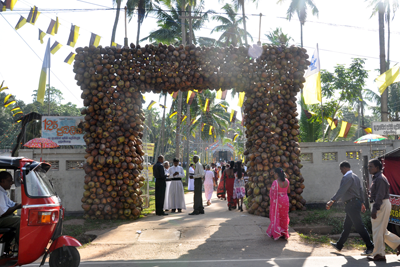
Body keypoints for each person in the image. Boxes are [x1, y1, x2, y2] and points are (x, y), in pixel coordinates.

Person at [326, 161, 374, 255]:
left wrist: (332, 200)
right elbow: (360, 190)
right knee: (347, 226)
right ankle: (339, 245)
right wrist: (362, 203)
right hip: (353, 204)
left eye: (341, 170)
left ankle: (370, 246)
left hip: (351, 204)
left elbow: (342, 190)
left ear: (344, 168)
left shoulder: (347, 177)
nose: (341, 172)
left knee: (359, 226)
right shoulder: (355, 176)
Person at [367, 159, 400, 261]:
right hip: (380, 204)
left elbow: (380, 195)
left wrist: (375, 209)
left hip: (381, 205)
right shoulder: (376, 178)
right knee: (381, 230)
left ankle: (379, 254)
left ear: (377, 167)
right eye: (368, 166)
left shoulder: (380, 179)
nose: (369, 168)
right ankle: (398, 244)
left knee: (378, 230)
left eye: (371, 166)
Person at [0, 171, 22, 254]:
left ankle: (8, 245)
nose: (12, 183)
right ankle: (20, 246)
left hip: (3, 217)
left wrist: (24, 204)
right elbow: (4, 212)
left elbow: (12, 204)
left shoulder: (3, 193)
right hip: (1, 218)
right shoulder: (0, 193)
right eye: (9, 181)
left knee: (20, 217)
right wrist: (17, 206)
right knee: (19, 221)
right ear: (2, 181)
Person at [266, 168, 290, 240]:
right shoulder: (287, 181)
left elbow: (272, 194)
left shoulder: (275, 182)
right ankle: (284, 233)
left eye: (274, 173)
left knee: (277, 216)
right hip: (285, 200)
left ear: (277, 174)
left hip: (278, 201)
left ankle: (277, 232)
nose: (274, 175)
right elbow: (288, 191)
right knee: (284, 216)